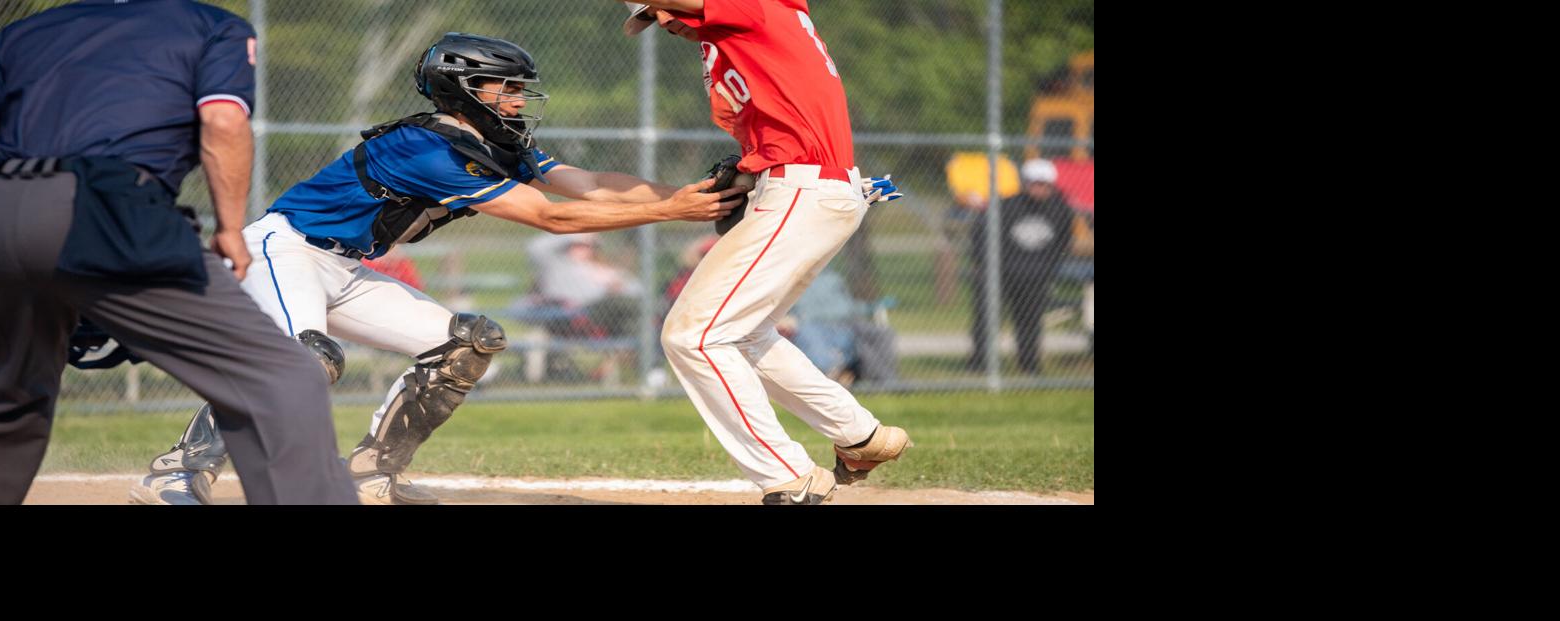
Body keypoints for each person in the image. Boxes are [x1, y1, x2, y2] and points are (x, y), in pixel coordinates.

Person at [131, 32, 742, 505]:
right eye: (506, 86)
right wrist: (670, 211)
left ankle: (372, 473)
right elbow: (552, 219)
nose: (519, 97)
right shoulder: (428, 148)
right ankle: (177, 472)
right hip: (287, 250)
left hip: (345, 268)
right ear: (465, 89)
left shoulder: (494, 144)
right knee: (305, 362)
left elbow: (591, 185)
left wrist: (685, 198)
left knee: (465, 343)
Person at [0, 0, 355, 505]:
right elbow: (224, 123)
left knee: (8, 392)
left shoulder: (24, 30)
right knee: (282, 376)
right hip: (114, 207)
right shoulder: (211, 26)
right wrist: (230, 228)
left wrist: (9, 213)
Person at [621, 1, 911, 505]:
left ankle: (790, 476)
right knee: (743, 333)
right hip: (805, 190)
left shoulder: (754, 6)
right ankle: (861, 436)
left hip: (803, 190)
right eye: (650, 17)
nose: (663, 22)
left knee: (694, 336)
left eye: (663, 8)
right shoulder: (730, 40)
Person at [971, 158, 1076, 375]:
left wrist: (1048, 269)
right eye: (1034, 182)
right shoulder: (1006, 206)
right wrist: (986, 265)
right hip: (1000, 273)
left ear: (1051, 184)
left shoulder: (1060, 210)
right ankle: (980, 362)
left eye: (1043, 183)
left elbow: (1062, 243)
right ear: (1025, 182)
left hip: (1035, 276)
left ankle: (1029, 364)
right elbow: (980, 235)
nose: (1038, 188)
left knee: (1030, 321)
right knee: (986, 317)